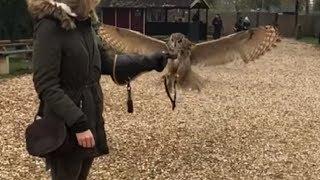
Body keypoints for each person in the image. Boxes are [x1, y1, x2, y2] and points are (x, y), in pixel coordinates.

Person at [27, 0, 174, 179]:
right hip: (65, 125)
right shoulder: (49, 27)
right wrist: (78, 124)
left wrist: (148, 61)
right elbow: (46, 85)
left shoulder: (84, 24)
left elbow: (107, 63)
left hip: (91, 116)